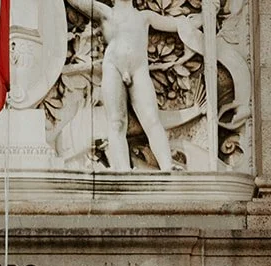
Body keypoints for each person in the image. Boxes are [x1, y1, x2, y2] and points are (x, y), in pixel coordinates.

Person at [67, 0, 203, 172]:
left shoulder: (144, 17)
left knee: (152, 120)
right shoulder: (106, 13)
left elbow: (178, 24)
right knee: (116, 122)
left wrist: (207, 13)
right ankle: (122, 170)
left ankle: (167, 166)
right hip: (113, 68)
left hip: (138, 70)